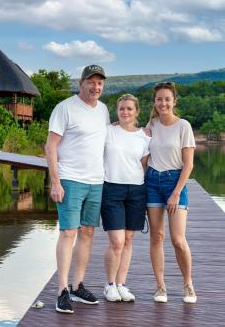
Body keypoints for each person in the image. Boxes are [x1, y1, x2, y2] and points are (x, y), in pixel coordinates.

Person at [45, 64, 110, 314]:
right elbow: (51, 146)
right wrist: (55, 181)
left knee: (88, 233)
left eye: (100, 83)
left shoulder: (103, 110)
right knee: (68, 233)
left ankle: (77, 285)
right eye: (91, 82)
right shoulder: (65, 108)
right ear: (81, 83)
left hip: (96, 181)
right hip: (70, 179)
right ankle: (61, 290)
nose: (96, 87)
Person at [146, 82, 197, 304]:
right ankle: (160, 287)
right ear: (155, 102)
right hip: (152, 182)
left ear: (174, 101)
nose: (163, 103)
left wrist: (176, 192)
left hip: (174, 182)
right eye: (159, 99)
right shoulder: (151, 125)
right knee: (157, 237)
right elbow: (134, 141)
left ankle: (188, 284)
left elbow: (189, 165)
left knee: (178, 239)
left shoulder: (183, 126)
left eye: (167, 99)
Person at [101, 94, 150, 302]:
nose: (125, 112)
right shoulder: (107, 131)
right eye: (121, 108)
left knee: (129, 239)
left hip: (137, 191)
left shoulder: (145, 137)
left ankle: (121, 284)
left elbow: (145, 165)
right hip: (111, 188)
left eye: (129, 109)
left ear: (137, 111)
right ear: (117, 111)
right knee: (117, 241)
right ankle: (109, 284)